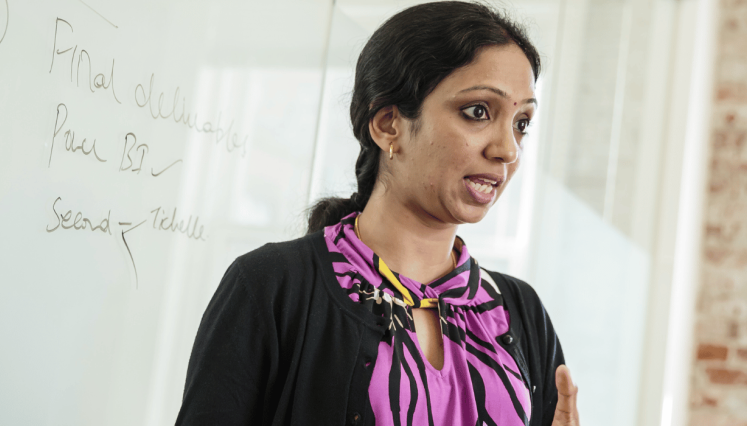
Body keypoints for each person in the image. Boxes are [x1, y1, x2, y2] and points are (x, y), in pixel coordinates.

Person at [176, 2, 579, 425]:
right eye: (478, 111)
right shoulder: (271, 286)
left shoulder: (520, 311)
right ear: (388, 124)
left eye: (521, 123)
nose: (507, 150)